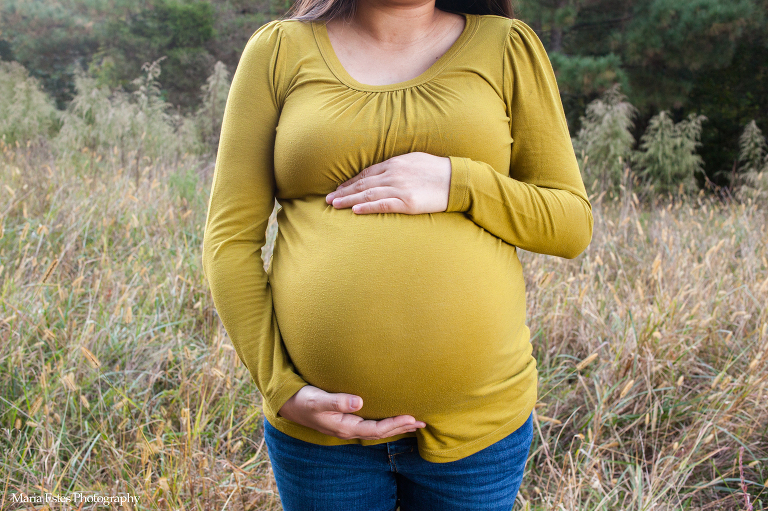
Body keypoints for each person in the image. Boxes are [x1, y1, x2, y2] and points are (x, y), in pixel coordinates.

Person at [201, 0, 594, 506]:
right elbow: (229, 239)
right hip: (322, 439)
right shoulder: (278, 51)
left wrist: (460, 181)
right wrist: (281, 388)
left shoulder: (506, 46)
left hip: (479, 431)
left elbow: (570, 224)